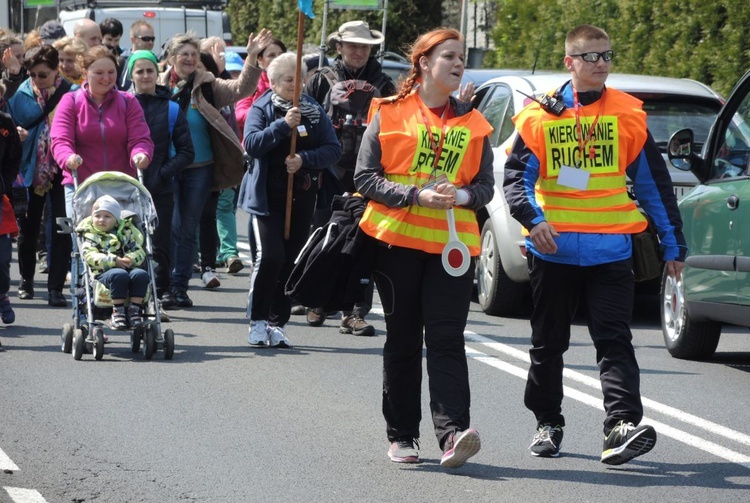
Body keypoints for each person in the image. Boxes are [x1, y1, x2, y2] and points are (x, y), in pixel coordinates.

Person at [503, 24, 687, 465]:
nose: (601, 63)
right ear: (569, 62)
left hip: (612, 250)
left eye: (606, 55)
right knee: (549, 342)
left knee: (615, 341)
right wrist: (534, 220)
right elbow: (515, 181)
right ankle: (548, 423)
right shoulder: (540, 116)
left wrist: (673, 244)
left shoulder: (627, 115)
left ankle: (621, 426)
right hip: (554, 251)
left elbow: (654, 186)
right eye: (590, 56)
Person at [354, 28, 493, 467]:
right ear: (424, 64)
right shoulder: (390, 113)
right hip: (396, 245)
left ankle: (453, 435)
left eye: (462, 59)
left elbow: (485, 186)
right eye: (449, 56)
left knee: (448, 339)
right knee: (403, 339)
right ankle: (403, 436)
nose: (457, 64)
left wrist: (464, 196)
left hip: (452, 250)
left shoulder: (473, 122)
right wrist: (416, 196)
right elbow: (364, 179)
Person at [157, 30, 271, 308]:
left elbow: (240, 89)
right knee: (167, 228)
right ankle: (162, 286)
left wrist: (252, 58)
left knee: (186, 228)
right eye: (183, 54)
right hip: (167, 168)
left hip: (200, 168)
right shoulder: (157, 86)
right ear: (171, 58)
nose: (189, 58)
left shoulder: (206, 85)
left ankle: (179, 288)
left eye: (194, 55)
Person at [242, 52, 341, 348]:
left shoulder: (313, 110)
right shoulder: (262, 108)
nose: (296, 85)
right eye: (288, 80)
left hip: (303, 195)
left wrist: (304, 159)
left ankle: (277, 323)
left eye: (300, 79)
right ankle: (258, 320)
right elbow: (252, 144)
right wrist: (283, 126)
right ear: (273, 83)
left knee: (290, 261)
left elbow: (332, 149)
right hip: (267, 198)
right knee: (271, 257)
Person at [305, 20, 397, 336]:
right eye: (352, 45)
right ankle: (318, 302)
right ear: (339, 47)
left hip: (371, 177)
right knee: (325, 239)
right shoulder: (319, 81)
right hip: (328, 174)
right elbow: (304, 124)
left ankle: (355, 313)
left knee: (364, 244)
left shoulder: (387, 86)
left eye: (364, 46)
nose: (358, 51)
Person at [50, 44, 154, 219]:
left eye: (111, 72)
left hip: (122, 188)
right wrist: (68, 157)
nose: (106, 78)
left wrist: (141, 153)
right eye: (99, 73)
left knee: (125, 241)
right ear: (85, 72)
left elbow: (140, 138)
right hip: (82, 186)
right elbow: (60, 141)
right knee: (85, 243)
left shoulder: (129, 102)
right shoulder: (70, 101)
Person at [8, 45, 73, 307]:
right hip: (29, 169)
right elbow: (7, 124)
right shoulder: (21, 93)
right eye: (32, 74)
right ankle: (26, 281)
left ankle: (55, 288)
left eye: (43, 74)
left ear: (56, 70)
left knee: (60, 227)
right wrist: (16, 134)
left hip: (62, 167)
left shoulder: (73, 94)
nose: (36, 80)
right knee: (28, 228)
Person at [129, 50, 194, 309]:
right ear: (132, 75)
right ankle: (131, 288)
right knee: (129, 239)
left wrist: (163, 173)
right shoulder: (122, 103)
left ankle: (163, 288)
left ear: (158, 73)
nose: (145, 75)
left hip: (161, 187)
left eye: (149, 70)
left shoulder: (171, 108)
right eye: (139, 71)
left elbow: (187, 152)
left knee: (161, 240)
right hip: (126, 186)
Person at [78, 195, 148, 330]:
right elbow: (90, 256)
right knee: (118, 274)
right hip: (102, 272)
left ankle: (134, 310)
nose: (101, 220)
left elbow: (138, 250)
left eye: (107, 216)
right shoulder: (91, 235)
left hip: (127, 267)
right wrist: (114, 260)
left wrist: (130, 259)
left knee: (141, 274)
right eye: (97, 216)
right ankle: (118, 311)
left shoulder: (126, 233)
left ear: (116, 220)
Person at [0, 80, 22, 337]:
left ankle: (2, 294)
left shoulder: (5, 123)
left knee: (3, 259)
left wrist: (4, 183)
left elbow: (14, 157)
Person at [118, 20, 155, 90]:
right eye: (146, 39)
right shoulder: (122, 60)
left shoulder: (155, 60)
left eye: (152, 39)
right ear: (133, 40)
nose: (150, 42)